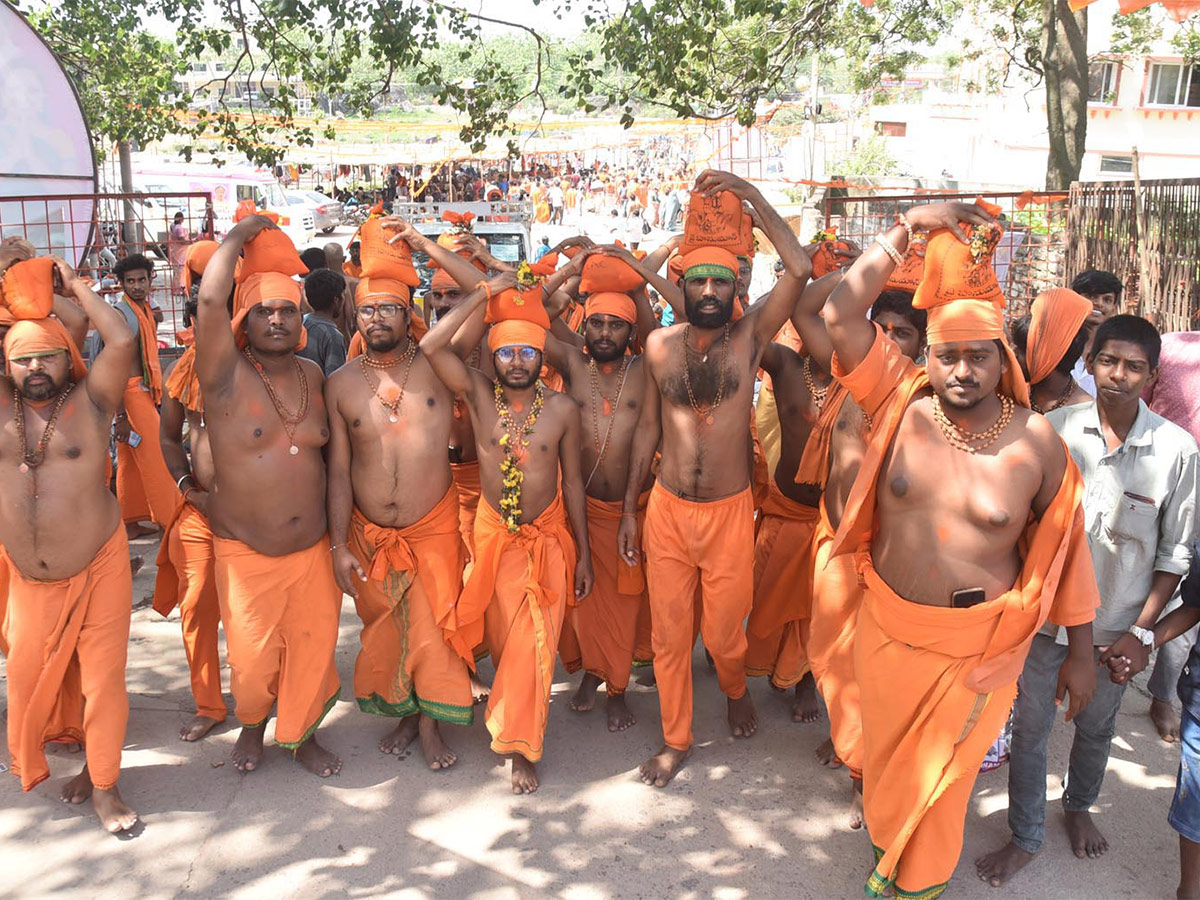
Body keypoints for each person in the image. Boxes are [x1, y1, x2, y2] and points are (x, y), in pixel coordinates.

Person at [821, 200, 1098, 900]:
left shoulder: (1037, 440)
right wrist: (910, 227)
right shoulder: (900, 403)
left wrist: (1083, 653)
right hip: (885, 630)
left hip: (978, 649)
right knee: (885, 767)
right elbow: (839, 315)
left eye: (979, 356)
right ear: (928, 356)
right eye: (949, 355)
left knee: (942, 784)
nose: (963, 371)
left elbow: (1067, 553)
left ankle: (917, 884)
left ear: (1001, 356)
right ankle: (893, 854)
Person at [977, 314, 1199, 886]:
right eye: (1107, 361)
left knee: (1096, 727)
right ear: (1090, 362)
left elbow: (1174, 555)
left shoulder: (1177, 451)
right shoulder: (1053, 430)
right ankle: (1025, 834)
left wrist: (1142, 631)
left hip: (1117, 626)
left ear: (1151, 377)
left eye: (1133, 367)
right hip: (1044, 618)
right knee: (1030, 728)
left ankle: (1078, 808)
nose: (1117, 376)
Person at [617, 170, 813, 788]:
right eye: (697, 279)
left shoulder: (750, 337)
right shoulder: (658, 348)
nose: (707, 290)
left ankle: (733, 688)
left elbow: (801, 269)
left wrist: (751, 198)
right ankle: (676, 739)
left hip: (729, 512)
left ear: (736, 288)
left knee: (726, 635)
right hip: (668, 511)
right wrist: (629, 508)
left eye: (719, 280)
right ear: (681, 284)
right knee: (673, 636)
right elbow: (648, 430)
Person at [421, 268, 593, 794]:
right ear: (491, 359)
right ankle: (504, 710)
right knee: (501, 641)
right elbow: (433, 345)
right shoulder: (477, 395)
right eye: (506, 353)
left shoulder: (562, 409)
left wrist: (584, 552)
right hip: (495, 534)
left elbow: (574, 485)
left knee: (532, 644)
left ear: (544, 358)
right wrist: (484, 294)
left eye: (527, 353)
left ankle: (522, 743)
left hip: (546, 538)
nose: (517, 363)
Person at [324, 223, 488, 769]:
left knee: (434, 629)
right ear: (356, 313)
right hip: (369, 533)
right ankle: (405, 710)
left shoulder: (439, 362)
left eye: (388, 309)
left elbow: (493, 288)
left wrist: (424, 246)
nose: (377, 319)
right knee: (390, 631)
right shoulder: (341, 382)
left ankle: (430, 723)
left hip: (433, 525)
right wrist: (337, 544)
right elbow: (340, 470)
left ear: (407, 311)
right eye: (368, 310)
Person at [193, 214, 343, 778]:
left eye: (287, 310)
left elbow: (331, 462)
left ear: (300, 318)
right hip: (246, 550)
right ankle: (253, 725)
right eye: (264, 311)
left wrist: (341, 540)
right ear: (245, 320)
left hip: (312, 549)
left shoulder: (314, 372)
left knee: (312, 648)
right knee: (252, 662)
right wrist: (241, 235)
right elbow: (209, 304)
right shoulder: (224, 373)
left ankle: (301, 735)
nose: (277, 319)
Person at [0, 256, 140, 833]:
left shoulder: (92, 402)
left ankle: (105, 783)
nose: (35, 367)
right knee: (27, 677)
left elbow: (121, 336)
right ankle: (70, 763)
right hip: (31, 580)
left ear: (68, 358)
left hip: (100, 564)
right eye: (23, 358)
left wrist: (72, 283)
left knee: (103, 680)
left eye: (47, 355)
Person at [539, 266, 655, 732]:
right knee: (582, 598)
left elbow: (662, 329)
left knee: (626, 602)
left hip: (631, 509)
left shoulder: (646, 367)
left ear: (630, 333)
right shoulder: (571, 363)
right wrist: (578, 262)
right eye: (596, 323)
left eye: (616, 325)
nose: (605, 332)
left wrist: (637, 278)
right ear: (583, 326)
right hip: (579, 508)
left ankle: (618, 688)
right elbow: (541, 309)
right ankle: (591, 671)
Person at [154, 242, 230, 743]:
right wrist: (187, 486)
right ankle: (209, 703)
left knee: (259, 615)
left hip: (257, 517)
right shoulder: (187, 366)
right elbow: (167, 435)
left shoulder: (266, 365)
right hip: (200, 510)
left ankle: (276, 698)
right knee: (198, 604)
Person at [1143, 326, 1200, 743]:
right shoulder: (1171, 347)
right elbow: (1137, 405)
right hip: (1158, 480)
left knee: (1190, 595)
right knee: (1152, 571)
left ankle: (1162, 695)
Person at [109, 254, 180, 537]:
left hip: (144, 390)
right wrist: (121, 416)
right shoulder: (121, 314)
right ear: (121, 283)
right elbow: (115, 367)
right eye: (130, 281)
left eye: (141, 280)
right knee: (157, 457)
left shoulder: (144, 308)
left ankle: (130, 520)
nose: (137, 286)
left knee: (130, 459)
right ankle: (169, 518)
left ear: (150, 279)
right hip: (130, 393)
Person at [1009, 288, 1093, 415]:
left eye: (1021, 349)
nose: (1012, 353)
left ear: (1046, 357)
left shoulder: (1085, 415)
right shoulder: (1010, 400)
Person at [1069, 269, 1124, 397]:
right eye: (1091, 296)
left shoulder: (1118, 352)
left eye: (1107, 300)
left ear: (1114, 309)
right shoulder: (1058, 344)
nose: (1099, 303)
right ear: (1074, 299)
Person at [298, 268, 348, 376]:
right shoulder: (333, 336)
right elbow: (334, 379)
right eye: (343, 295)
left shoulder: (302, 323)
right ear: (336, 300)